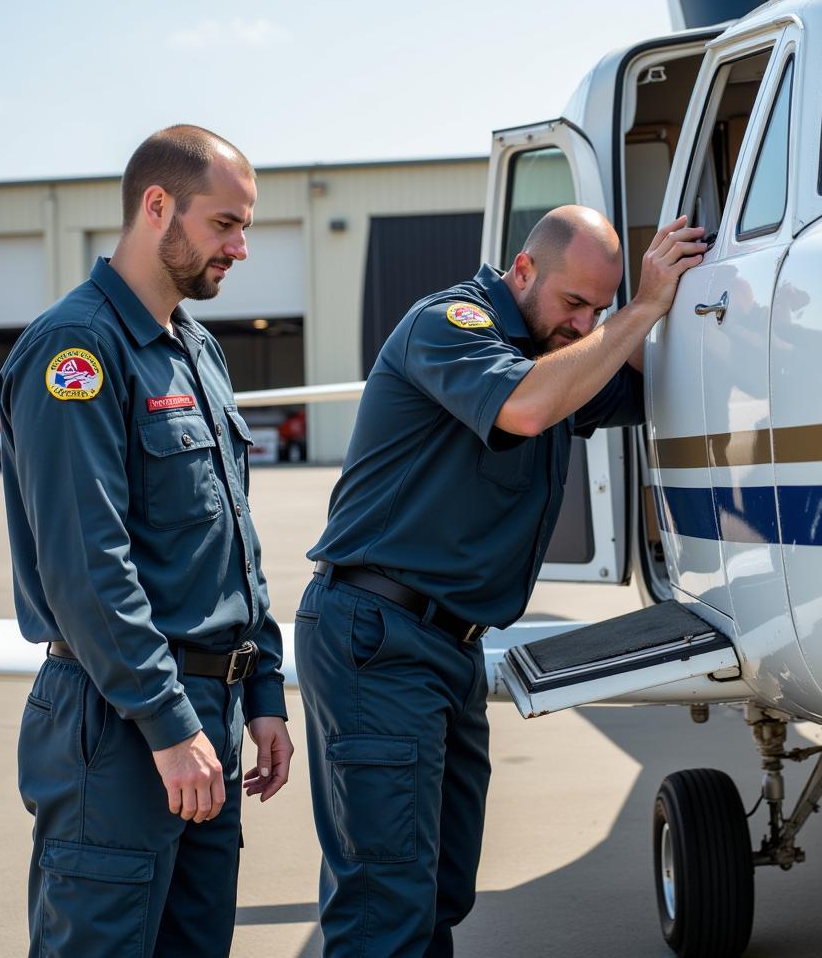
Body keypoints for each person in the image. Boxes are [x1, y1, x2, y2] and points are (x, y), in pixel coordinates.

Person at [296, 205, 707, 955]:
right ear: (522, 271)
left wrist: (701, 303)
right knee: (383, 905)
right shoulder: (451, 324)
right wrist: (644, 306)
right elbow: (525, 405)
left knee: (440, 890)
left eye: (599, 307)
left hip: (446, 648)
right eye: (572, 303)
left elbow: (651, 386)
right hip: (378, 638)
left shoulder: (559, 350)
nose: (584, 325)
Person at [0, 125, 294, 958]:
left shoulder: (196, 351)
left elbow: (236, 544)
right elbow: (87, 570)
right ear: (156, 206)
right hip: (124, 720)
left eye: (245, 226)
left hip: (210, 713)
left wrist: (263, 689)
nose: (240, 247)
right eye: (224, 223)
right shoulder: (78, 350)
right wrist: (168, 726)